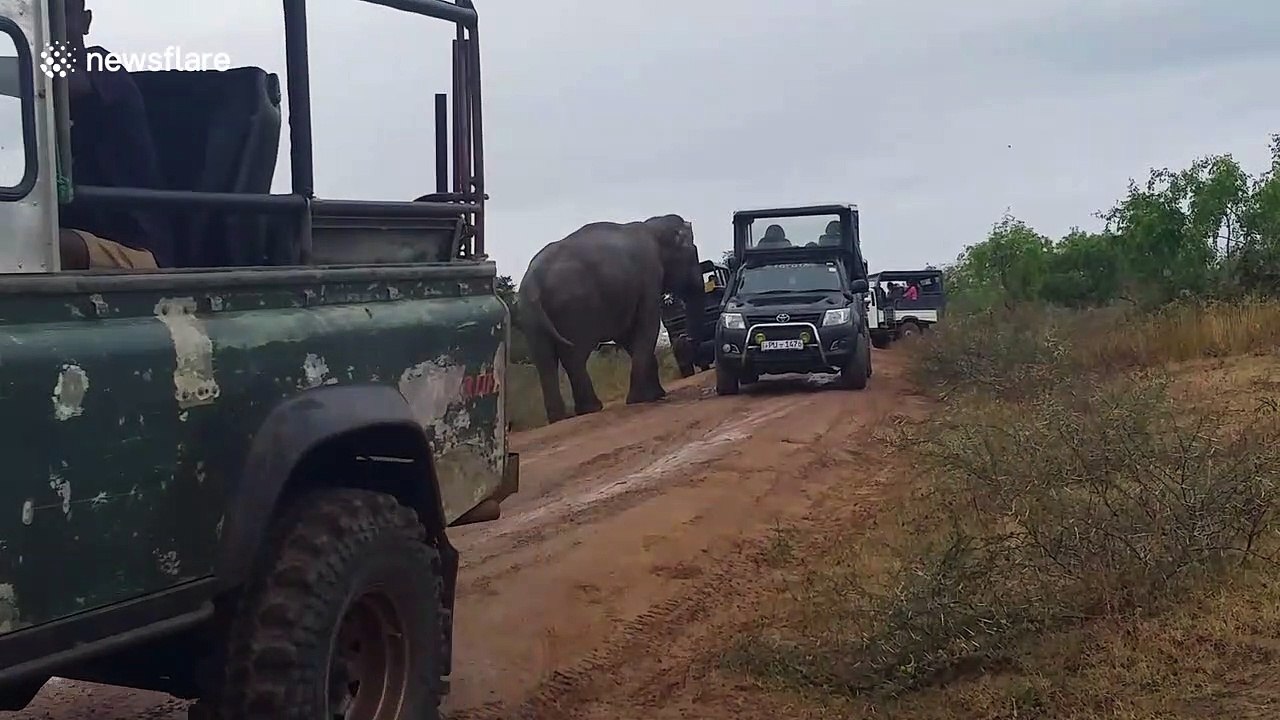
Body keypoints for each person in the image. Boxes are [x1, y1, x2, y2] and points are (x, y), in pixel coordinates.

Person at [57, 0, 173, 270]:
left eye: (61, 14)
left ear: (86, 22)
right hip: (77, 233)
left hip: (137, 249)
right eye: (45, 18)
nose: (52, 28)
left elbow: (62, 84)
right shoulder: (40, 105)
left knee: (44, 248)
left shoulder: (102, 65)